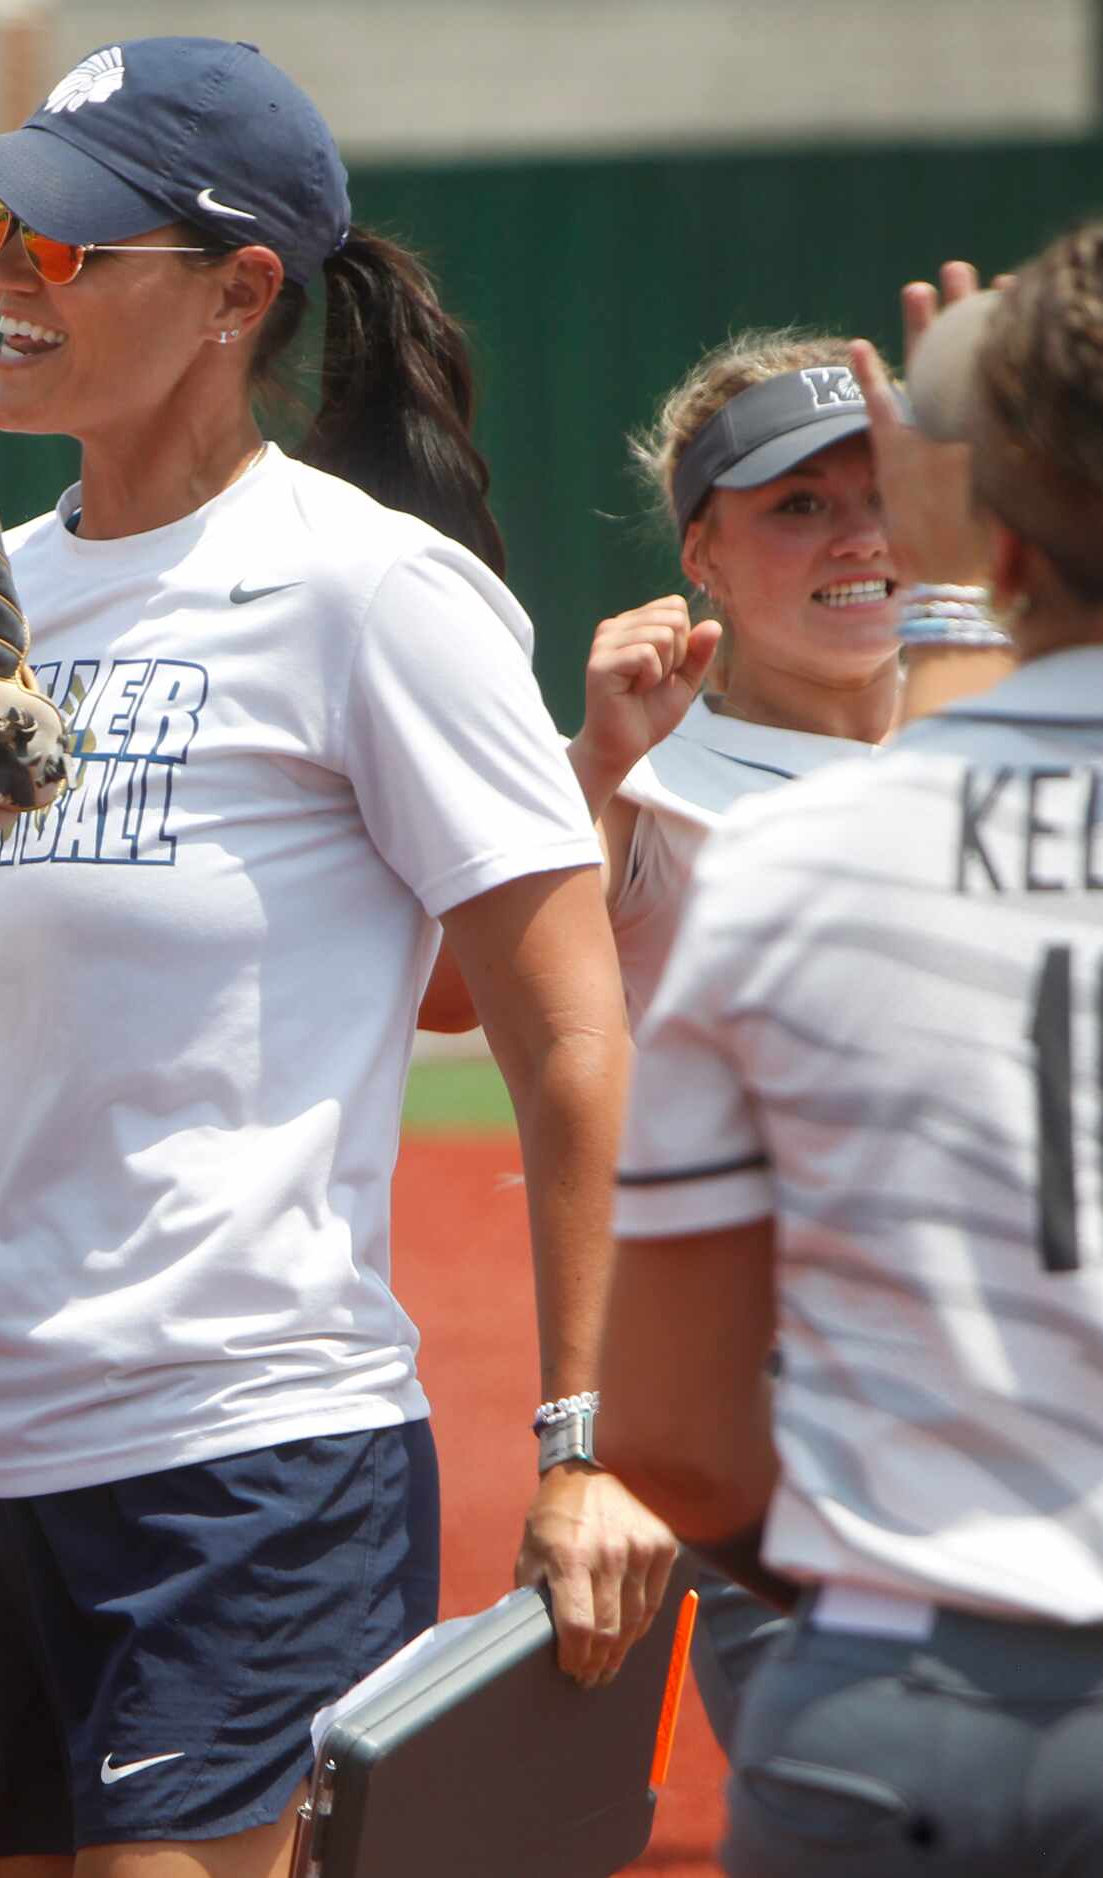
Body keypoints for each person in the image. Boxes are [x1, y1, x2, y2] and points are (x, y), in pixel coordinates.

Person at [0, 37, 677, 1878]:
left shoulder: (370, 592)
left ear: (241, 292)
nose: (6, 262)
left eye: (68, 241)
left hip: (250, 1453)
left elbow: (560, 1029)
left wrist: (580, 1440)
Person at [601, 217, 1103, 1875]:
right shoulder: (663, 796)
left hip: (880, 1621)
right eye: (799, 501)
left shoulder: (820, 855)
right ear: (697, 551)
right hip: (834, 1482)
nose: (860, 536)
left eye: (887, 488)